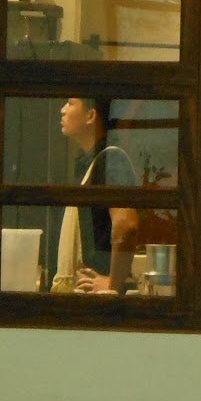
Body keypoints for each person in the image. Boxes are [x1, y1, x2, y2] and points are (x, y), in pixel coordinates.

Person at [53, 96, 138, 294]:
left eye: (70, 103)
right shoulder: (89, 164)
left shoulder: (111, 159)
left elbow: (126, 225)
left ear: (90, 115)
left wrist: (112, 284)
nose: (62, 110)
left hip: (99, 299)